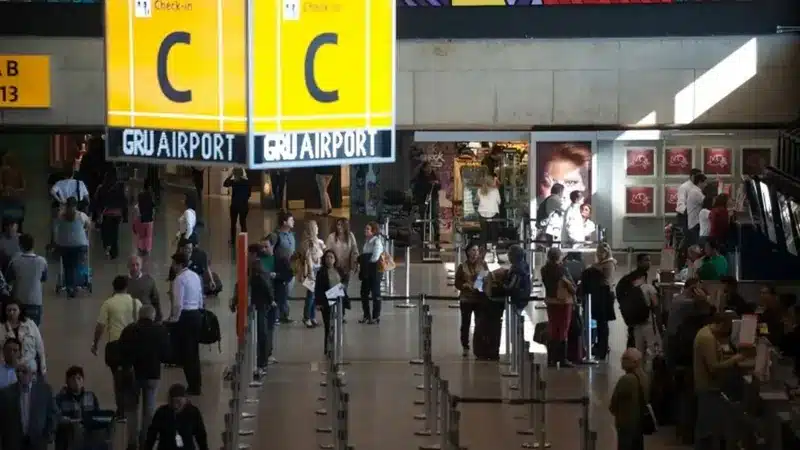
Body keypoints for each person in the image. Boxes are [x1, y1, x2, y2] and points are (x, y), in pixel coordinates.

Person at [693, 312, 752, 450]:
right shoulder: (707, 338)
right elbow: (713, 367)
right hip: (707, 387)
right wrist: (735, 359)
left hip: (708, 386)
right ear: (722, 325)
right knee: (707, 429)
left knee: (708, 426)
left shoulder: (707, 333)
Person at [118, 305, 171, 450]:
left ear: (139, 316)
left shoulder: (129, 330)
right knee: (149, 409)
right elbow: (167, 356)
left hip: (131, 374)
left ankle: (131, 442)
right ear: (153, 316)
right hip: (152, 375)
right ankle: (146, 441)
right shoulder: (160, 331)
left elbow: (120, 352)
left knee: (131, 409)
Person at [91, 275, 142, 418]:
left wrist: (95, 344)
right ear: (127, 287)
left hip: (115, 345)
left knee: (118, 379)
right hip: (132, 345)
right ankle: (133, 408)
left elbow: (100, 326)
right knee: (131, 375)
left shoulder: (108, 303)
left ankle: (121, 411)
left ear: (113, 287)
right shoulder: (135, 303)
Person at [0, 363, 58, 450]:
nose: (20, 374)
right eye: (18, 371)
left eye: (24, 372)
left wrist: (48, 435)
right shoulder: (6, 393)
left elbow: (53, 414)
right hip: (13, 443)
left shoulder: (45, 390)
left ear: (33, 374)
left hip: (37, 442)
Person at [170, 252, 204, 395]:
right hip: (196, 314)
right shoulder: (195, 276)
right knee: (194, 352)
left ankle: (193, 386)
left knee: (187, 353)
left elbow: (178, 303)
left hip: (186, 317)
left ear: (178, 264)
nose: (172, 266)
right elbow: (200, 296)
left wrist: (174, 319)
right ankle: (197, 383)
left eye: (173, 264)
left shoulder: (179, 279)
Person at [541, 247, 576, 368]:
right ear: (559, 257)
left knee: (553, 328)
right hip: (563, 302)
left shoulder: (544, 270)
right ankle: (562, 359)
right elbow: (572, 287)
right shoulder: (562, 270)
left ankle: (551, 358)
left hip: (551, 301)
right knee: (563, 329)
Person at [145, 384, 209, 450]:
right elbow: (151, 435)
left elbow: (201, 436)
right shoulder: (162, 412)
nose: (175, 405)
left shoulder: (193, 412)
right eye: (172, 402)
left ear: (185, 400)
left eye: (178, 401)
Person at [609, 348, 649, 450]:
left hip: (626, 424)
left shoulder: (626, 380)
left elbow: (613, 404)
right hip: (639, 423)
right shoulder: (644, 378)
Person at [454, 243, 489, 358]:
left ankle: (479, 346)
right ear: (468, 252)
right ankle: (465, 346)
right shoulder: (462, 266)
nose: (475, 253)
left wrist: (481, 285)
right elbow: (457, 282)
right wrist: (464, 285)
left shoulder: (483, 265)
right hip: (466, 299)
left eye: (477, 250)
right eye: (473, 250)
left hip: (479, 299)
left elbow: (487, 279)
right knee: (466, 323)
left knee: (479, 324)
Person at [246, 243, 277, 371]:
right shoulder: (259, 266)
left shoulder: (256, 267)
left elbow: (266, 285)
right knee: (261, 331)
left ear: (253, 254)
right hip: (261, 302)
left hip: (261, 303)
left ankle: (262, 360)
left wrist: (271, 300)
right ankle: (261, 359)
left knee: (261, 331)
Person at [53, 366, 101, 450]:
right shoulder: (60, 399)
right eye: (72, 379)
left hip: (87, 442)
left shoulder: (91, 397)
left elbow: (98, 417)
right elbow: (55, 418)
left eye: (79, 378)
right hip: (67, 442)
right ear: (67, 382)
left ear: (83, 380)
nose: (76, 382)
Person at [6, 234, 47, 325]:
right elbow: (43, 279)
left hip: (18, 302)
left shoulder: (14, 261)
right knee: (34, 331)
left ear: (20, 246)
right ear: (33, 245)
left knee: (18, 330)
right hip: (36, 301)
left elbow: (9, 281)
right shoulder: (42, 261)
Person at [54, 197, 91, 297]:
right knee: (77, 265)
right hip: (79, 245)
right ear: (76, 205)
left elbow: (56, 227)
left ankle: (69, 286)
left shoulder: (60, 216)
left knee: (67, 266)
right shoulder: (81, 216)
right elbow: (89, 224)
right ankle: (77, 284)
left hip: (64, 245)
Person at [314, 250, 348, 356]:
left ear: (335, 259)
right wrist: (318, 302)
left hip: (339, 301)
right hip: (326, 301)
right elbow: (318, 288)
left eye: (331, 257)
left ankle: (337, 346)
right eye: (327, 257)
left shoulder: (339, 270)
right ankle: (328, 348)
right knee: (328, 326)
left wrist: (343, 285)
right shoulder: (321, 272)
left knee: (338, 325)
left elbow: (345, 280)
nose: (329, 259)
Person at [0, 301, 45, 377]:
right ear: (5, 312)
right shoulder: (1, 327)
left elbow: (40, 347)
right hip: (7, 365)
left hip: (28, 363)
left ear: (20, 311)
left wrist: (43, 369)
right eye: (9, 310)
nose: (12, 313)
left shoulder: (30, 324)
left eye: (14, 310)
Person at [95, 171, 128, 260]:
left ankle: (107, 246)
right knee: (115, 233)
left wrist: (97, 216)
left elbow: (97, 202)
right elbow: (124, 202)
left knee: (105, 232)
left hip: (105, 214)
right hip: (117, 215)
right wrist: (125, 216)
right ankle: (114, 252)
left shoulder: (101, 188)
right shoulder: (119, 187)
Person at [299, 220, 325, 328]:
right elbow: (308, 258)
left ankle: (313, 316)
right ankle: (307, 317)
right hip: (312, 271)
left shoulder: (319, 242)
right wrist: (310, 272)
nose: (317, 228)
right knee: (310, 296)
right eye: (316, 227)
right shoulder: (308, 243)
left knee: (315, 296)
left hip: (318, 269)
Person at [272, 211, 296, 323]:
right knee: (280, 292)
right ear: (284, 222)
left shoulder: (291, 235)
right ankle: (277, 315)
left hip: (290, 269)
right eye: (291, 220)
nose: (293, 222)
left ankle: (284, 314)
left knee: (287, 293)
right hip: (279, 268)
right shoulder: (276, 236)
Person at [358, 222, 384, 324]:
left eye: (368, 229)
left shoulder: (376, 241)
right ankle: (366, 315)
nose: (365, 230)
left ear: (373, 231)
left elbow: (375, 257)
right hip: (366, 271)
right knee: (364, 293)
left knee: (375, 293)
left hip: (374, 271)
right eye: (365, 229)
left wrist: (365, 261)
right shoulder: (366, 242)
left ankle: (375, 316)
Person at [324, 218, 359, 290]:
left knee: (344, 290)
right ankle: (337, 301)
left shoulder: (350, 236)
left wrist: (356, 263)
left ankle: (342, 301)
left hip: (346, 268)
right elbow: (327, 252)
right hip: (334, 268)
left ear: (346, 226)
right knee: (335, 290)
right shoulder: (331, 237)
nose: (339, 227)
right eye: (338, 225)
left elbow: (354, 250)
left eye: (342, 225)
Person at [412, 162, 441, 247]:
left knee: (435, 218)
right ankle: (423, 240)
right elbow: (417, 188)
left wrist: (436, 184)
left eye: (430, 167)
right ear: (423, 169)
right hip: (422, 200)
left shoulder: (434, 175)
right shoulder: (419, 177)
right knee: (423, 219)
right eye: (427, 168)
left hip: (433, 200)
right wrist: (429, 184)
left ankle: (436, 240)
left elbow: (439, 186)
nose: (429, 169)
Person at [127, 255, 162, 322]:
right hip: (128, 317)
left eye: (137, 264)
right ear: (128, 266)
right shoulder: (123, 281)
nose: (135, 268)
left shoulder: (149, 280)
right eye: (132, 265)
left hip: (145, 317)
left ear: (141, 265)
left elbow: (155, 300)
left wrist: (158, 317)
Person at [224, 168, 251, 243]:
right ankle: (244, 240)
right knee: (243, 223)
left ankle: (233, 240)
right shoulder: (247, 182)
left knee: (233, 223)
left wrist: (230, 176)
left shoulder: (234, 182)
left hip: (234, 205)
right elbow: (249, 194)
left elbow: (225, 184)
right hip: (244, 205)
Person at [675, 168, 703, 235]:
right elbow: (680, 204)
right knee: (689, 236)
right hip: (686, 216)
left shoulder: (699, 186)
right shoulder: (684, 187)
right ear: (693, 176)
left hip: (697, 216)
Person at [477, 175, 502, 248]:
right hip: (493, 212)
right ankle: (494, 248)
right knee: (494, 232)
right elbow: (499, 202)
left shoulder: (479, 190)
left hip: (482, 213)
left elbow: (478, 200)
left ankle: (483, 248)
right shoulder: (495, 190)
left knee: (483, 232)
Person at [685, 173, 707, 247]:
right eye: (705, 182)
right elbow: (707, 202)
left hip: (693, 223)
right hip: (695, 224)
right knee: (696, 248)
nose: (706, 185)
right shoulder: (696, 192)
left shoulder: (694, 191)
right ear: (700, 182)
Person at [133, 186, 156, 255]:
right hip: (149, 222)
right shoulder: (151, 206)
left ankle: (141, 247)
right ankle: (147, 248)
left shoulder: (137, 206)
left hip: (141, 222)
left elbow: (136, 215)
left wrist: (134, 225)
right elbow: (153, 214)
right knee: (148, 236)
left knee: (141, 236)